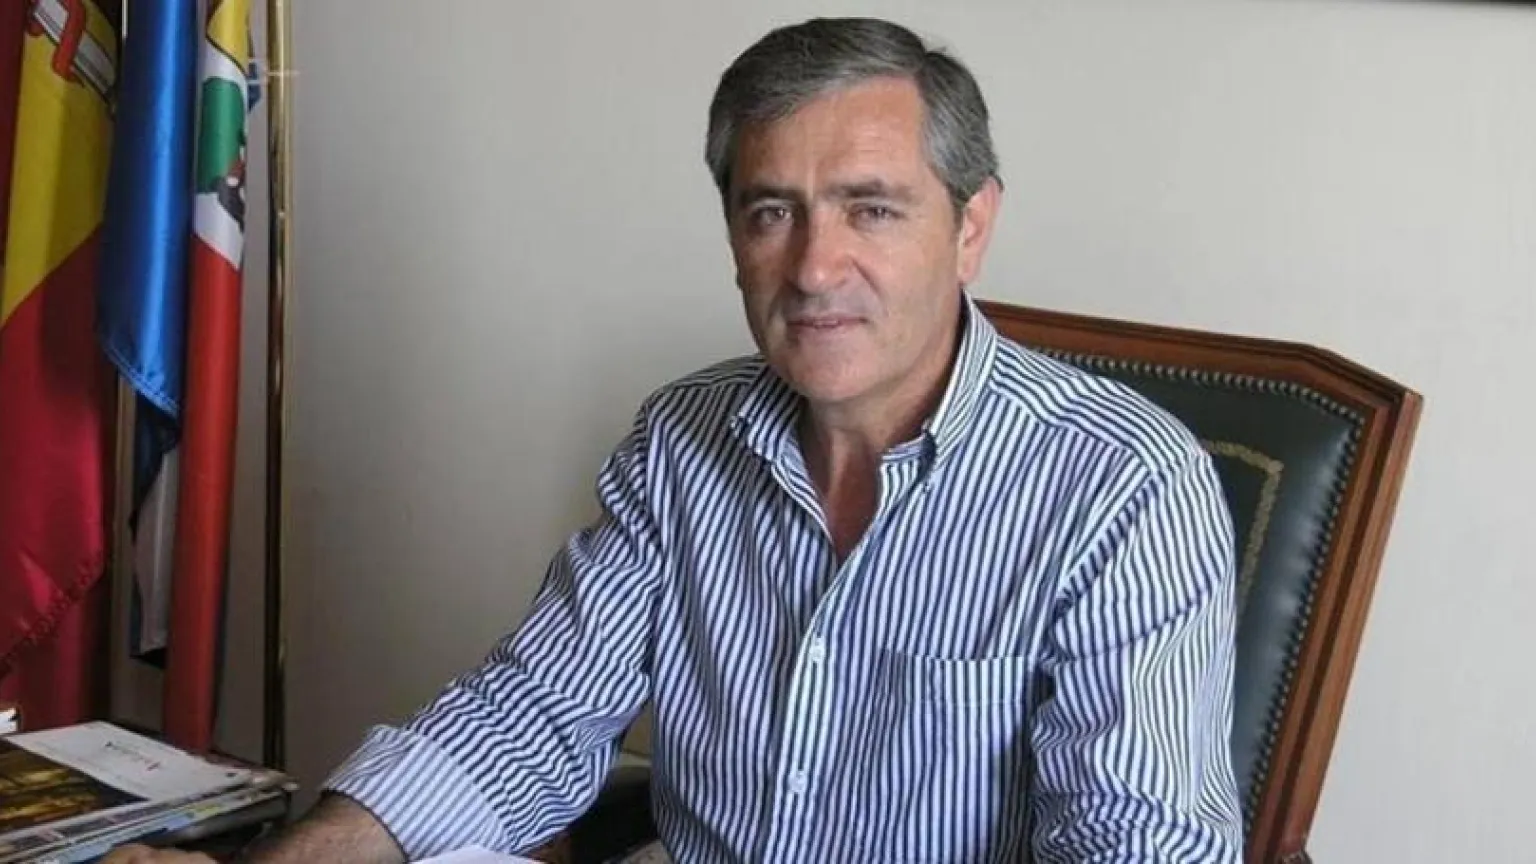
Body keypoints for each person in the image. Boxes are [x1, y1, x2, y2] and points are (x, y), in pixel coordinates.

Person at [108, 17, 1243, 864]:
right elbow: (532, 713)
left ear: (971, 227)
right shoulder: (681, 438)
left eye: (872, 208)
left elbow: (1134, 845)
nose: (814, 267)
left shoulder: (1125, 486)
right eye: (772, 211)